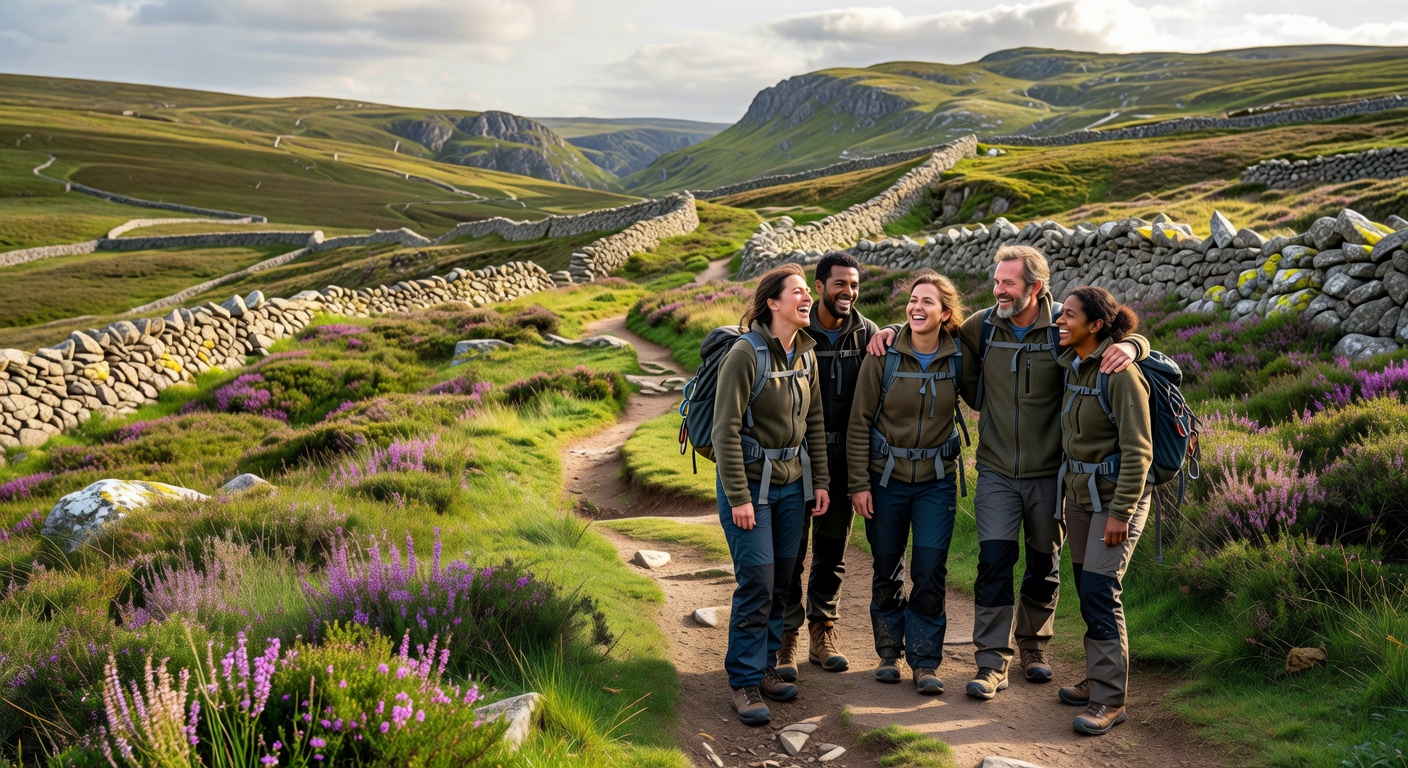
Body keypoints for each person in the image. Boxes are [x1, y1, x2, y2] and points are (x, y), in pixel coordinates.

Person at [868, 245, 1148, 700]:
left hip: (1052, 475)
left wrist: (1134, 345)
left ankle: (1034, 647)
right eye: (996, 281)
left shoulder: (1063, 325)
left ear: (1035, 287)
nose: (997, 289)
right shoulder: (983, 325)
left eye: (1007, 283)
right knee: (994, 563)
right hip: (996, 470)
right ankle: (991, 661)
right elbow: (931, 327)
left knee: (1043, 564)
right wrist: (887, 331)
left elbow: (1111, 339)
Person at [713, 263, 831, 726]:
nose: (807, 298)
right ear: (773, 303)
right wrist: (738, 497)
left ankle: (764, 668)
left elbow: (815, 423)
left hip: (792, 488)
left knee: (783, 580)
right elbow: (725, 431)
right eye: (797, 292)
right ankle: (743, 681)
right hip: (749, 490)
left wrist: (819, 481)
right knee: (758, 582)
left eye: (807, 292)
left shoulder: (807, 354)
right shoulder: (745, 354)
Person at [847, 271, 966, 694]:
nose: (916, 307)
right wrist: (858, 484)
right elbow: (859, 421)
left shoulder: (960, 356)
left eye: (927, 302)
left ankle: (925, 661)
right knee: (887, 568)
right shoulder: (882, 355)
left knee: (930, 571)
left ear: (945, 313)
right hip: (884, 482)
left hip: (936, 482)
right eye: (913, 300)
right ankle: (888, 652)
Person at [1052, 286, 1153, 736]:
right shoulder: (1073, 364)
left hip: (1116, 501)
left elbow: (1139, 451)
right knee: (1085, 585)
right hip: (1079, 498)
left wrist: (1121, 513)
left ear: (1095, 325)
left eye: (1069, 316)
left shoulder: (1120, 373)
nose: (1060, 320)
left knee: (1099, 589)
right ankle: (1097, 677)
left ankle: (1110, 700)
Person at [775, 252, 879, 682]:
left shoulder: (868, 333)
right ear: (819, 287)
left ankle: (823, 631)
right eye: (840, 284)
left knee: (832, 552)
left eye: (854, 285)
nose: (848, 292)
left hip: (846, 460)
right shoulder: (797, 329)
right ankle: (786, 637)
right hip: (797, 461)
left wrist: (892, 331)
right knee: (791, 552)